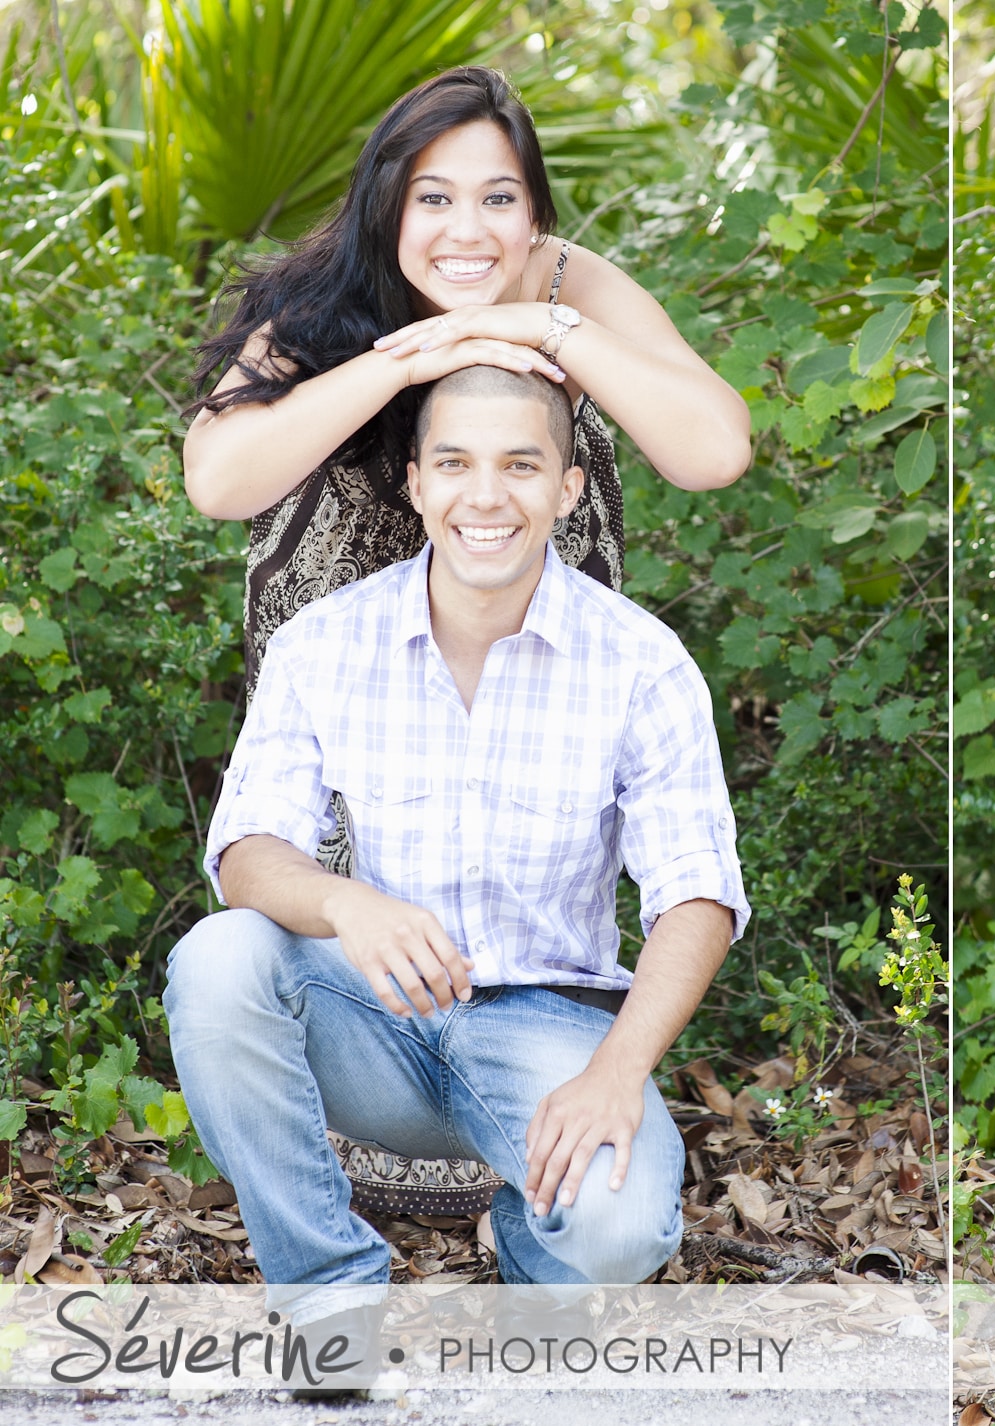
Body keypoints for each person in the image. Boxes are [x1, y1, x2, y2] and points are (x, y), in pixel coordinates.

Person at [181, 64, 751, 1213]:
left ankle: (534, 1144)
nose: (466, 228)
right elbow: (222, 478)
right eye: (433, 197)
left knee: (524, 889)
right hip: (354, 632)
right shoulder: (325, 297)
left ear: (536, 210)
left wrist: (538, 324)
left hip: (534, 600)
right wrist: (411, 356)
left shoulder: (569, 281)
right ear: (387, 201)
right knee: (308, 906)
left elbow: (711, 448)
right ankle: (347, 1196)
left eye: (499, 197)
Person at [164, 367, 749, 1334]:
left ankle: (529, 1251)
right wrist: (348, 905)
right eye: (456, 464)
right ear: (415, 482)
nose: (487, 496)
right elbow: (244, 853)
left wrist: (614, 1073)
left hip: (549, 1029)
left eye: (521, 465)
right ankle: (326, 1303)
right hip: (372, 1014)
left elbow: (697, 895)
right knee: (219, 959)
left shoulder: (642, 663)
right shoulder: (326, 641)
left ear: (567, 489)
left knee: (619, 1233)